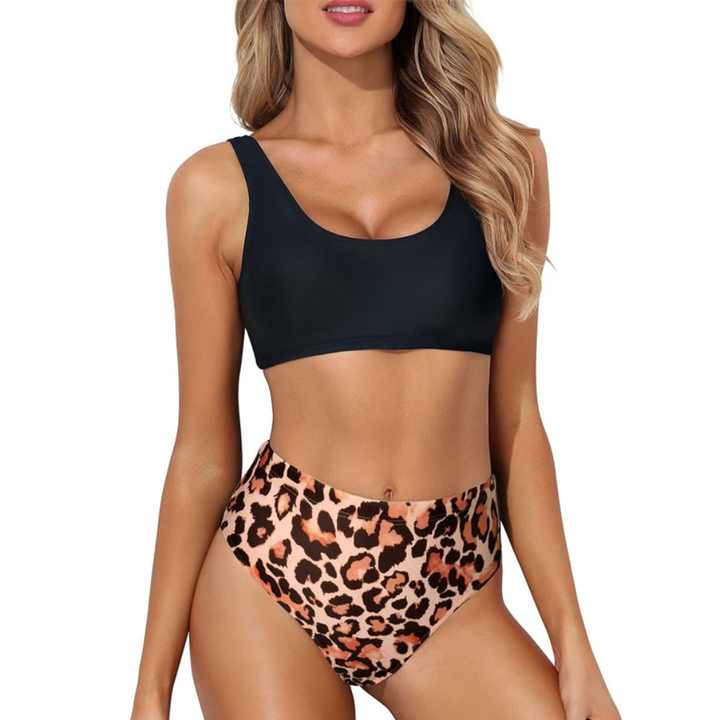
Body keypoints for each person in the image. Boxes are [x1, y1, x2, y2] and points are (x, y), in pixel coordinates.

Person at [131, 2, 620, 718]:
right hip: (274, 575)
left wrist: (574, 646)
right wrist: (151, 690)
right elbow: (203, 448)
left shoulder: (500, 163)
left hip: (452, 590)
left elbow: (516, 421)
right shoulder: (215, 188)